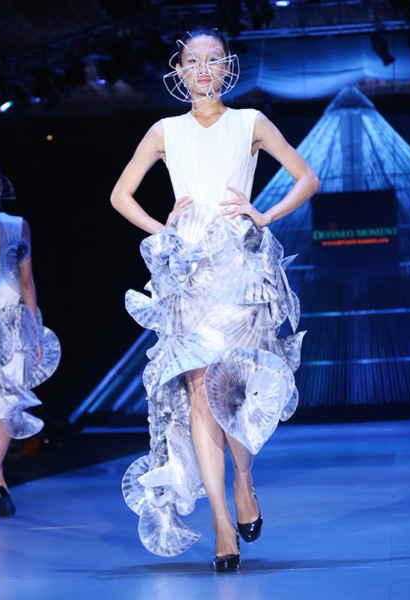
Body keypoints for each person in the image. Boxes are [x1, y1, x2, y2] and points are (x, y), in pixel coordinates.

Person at [111, 27, 319, 571]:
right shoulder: (164, 131)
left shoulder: (250, 122)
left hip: (240, 275)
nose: (203, 69)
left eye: (213, 59)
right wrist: (164, 230)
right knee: (201, 394)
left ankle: (244, 480)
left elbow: (307, 178)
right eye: (193, 60)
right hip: (190, 278)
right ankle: (222, 523)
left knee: (234, 391)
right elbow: (120, 194)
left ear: (227, 67)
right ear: (179, 70)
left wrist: (264, 214)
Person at [0, 162, 61, 517]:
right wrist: (34, 330)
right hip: (10, 323)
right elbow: (26, 282)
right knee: (8, 404)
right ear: (0, 191)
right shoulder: (18, 224)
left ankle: (0, 486)